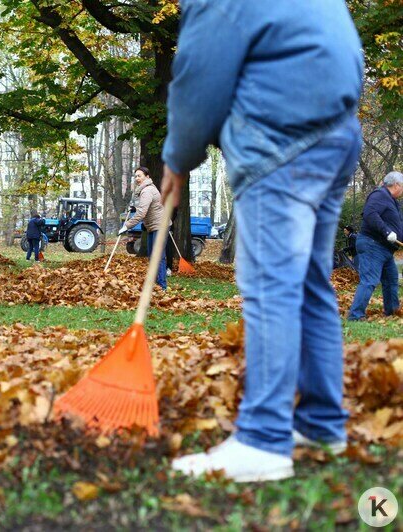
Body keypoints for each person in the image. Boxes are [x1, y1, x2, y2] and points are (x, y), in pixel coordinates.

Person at [160, 0, 363, 481]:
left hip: (280, 134)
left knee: (272, 283)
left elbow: (198, 79)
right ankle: (321, 424)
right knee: (310, 281)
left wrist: (177, 156)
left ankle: (264, 439)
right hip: (337, 131)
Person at [347, 171, 403, 321]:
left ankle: (392, 312)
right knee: (370, 280)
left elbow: (396, 224)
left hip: (384, 249)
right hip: (373, 245)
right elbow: (370, 214)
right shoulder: (379, 195)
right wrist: (387, 232)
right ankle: (355, 316)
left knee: (391, 279)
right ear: (396, 184)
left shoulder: (391, 200)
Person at [120, 167, 168, 290]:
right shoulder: (144, 190)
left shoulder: (147, 190)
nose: (137, 178)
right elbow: (144, 208)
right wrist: (134, 208)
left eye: (139, 176)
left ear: (147, 177)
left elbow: (142, 213)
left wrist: (127, 225)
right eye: (135, 176)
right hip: (153, 226)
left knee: (158, 256)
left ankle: (162, 286)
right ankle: (155, 284)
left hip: (159, 226)